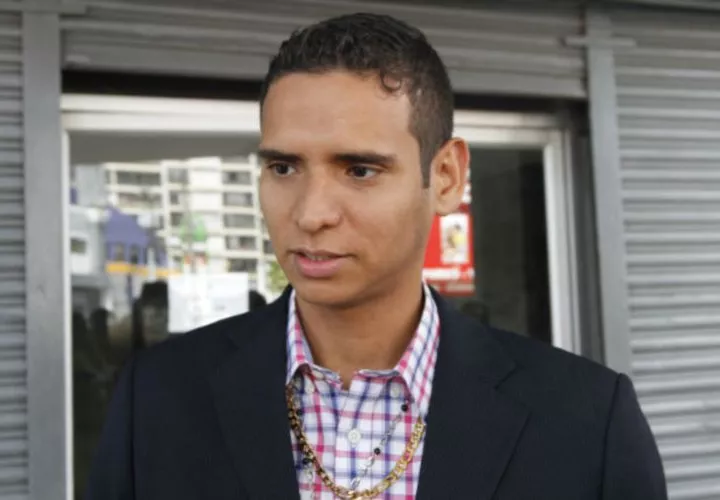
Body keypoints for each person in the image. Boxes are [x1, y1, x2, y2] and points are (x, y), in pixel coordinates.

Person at [86, 13, 667, 500]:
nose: (311, 212)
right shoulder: (158, 399)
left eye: (360, 170)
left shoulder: (586, 421)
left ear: (445, 177)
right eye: (283, 167)